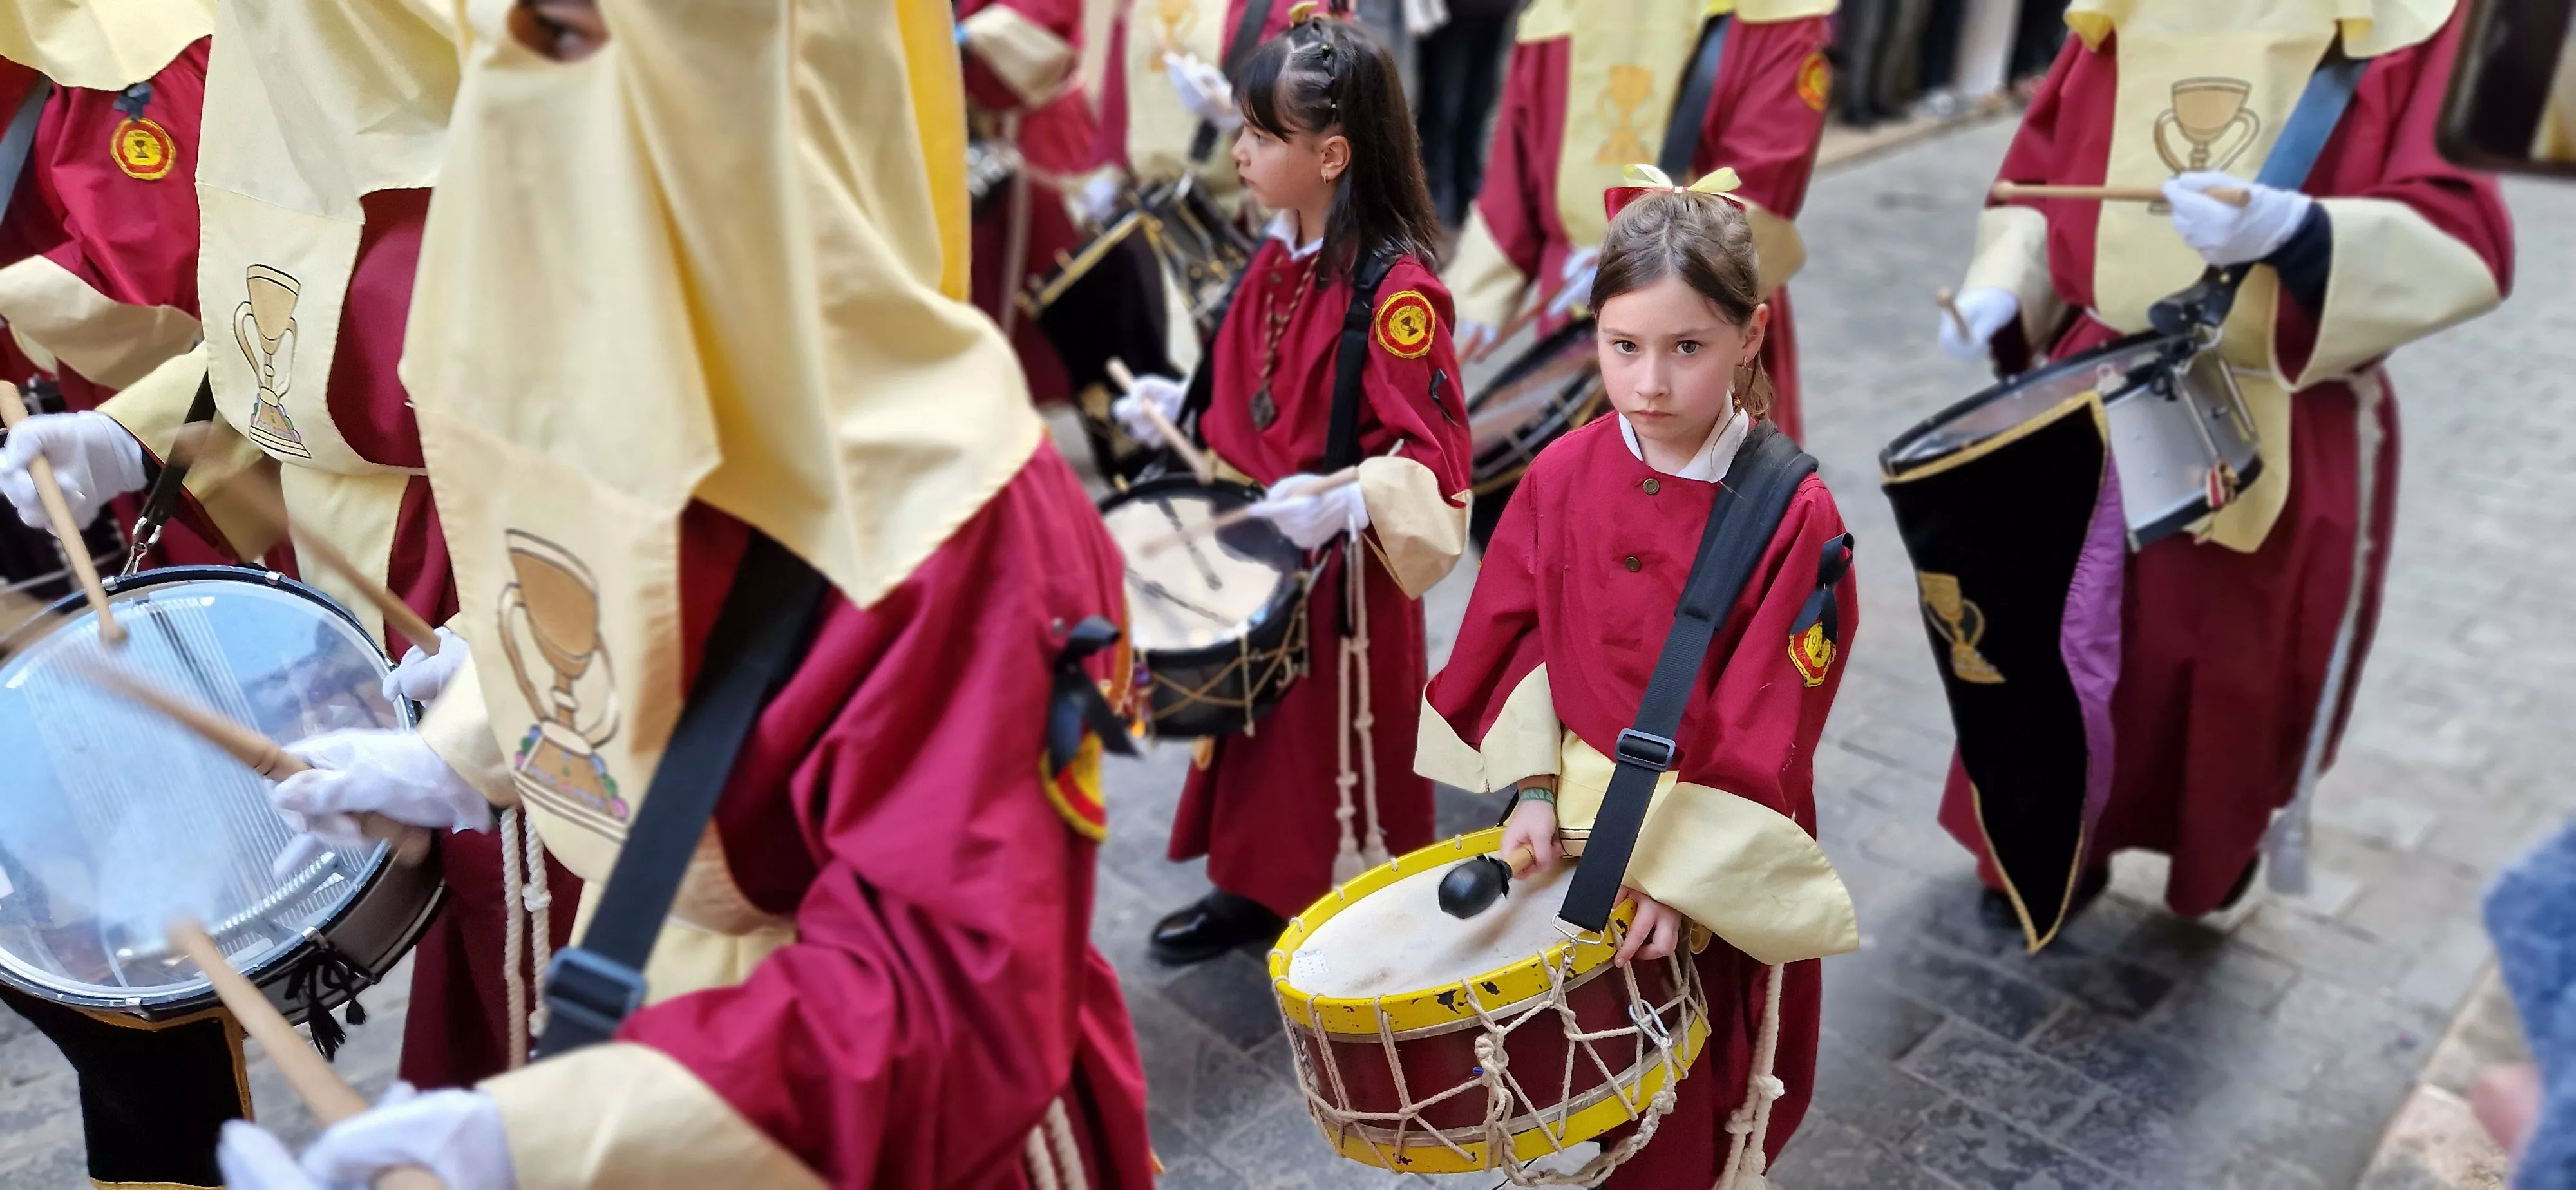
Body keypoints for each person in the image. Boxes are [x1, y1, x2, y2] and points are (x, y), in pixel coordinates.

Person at [211, 0, 1155, 1186]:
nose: (516, 92)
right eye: (534, 30)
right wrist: (467, 748)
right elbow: (623, 644)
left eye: (580, 34)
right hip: (669, 1016)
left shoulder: (950, 508)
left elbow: (953, 990)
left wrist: (556, 1136)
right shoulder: (617, 382)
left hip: (856, 1107)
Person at [0, 0, 585, 1101]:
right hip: (410, 578)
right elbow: (290, 318)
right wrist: (134, 433)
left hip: (522, 567)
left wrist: (493, 687)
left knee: (569, 1002)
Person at [1931, 0, 2512, 943]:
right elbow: (2042, 186)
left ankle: (2206, 849)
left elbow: (2464, 234)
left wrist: (2309, 237)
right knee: (2041, 638)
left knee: (2230, 661)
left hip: (2271, 397)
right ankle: (2040, 848)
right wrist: (2006, 283)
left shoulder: (2418, 20)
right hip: (2089, 391)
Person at [1417, 178, 1858, 1186]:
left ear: (1750, 336)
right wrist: (1530, 785)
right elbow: (1519, 637)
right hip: (1574, 822)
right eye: (1624, 347)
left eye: (1687, 348)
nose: (1650, 382)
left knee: (1684, 1106)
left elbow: (1771, 718)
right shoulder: (1560, 473)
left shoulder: (1797, 514)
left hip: (1699, 844)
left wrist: (1681, 873)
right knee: (1562, 1089)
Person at [1111, 14, 1472, 964]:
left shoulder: (1397, 298)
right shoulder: (1279, 254)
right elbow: (1248, 393)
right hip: (1264, 554)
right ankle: (1253, 889)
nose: (1239, 151)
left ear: (1333, 156)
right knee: (1253, 745)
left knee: (1327, 761)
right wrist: (1179, 408)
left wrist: (1353, 500)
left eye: (1263, 137)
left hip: (1342, 586)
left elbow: (1437, 468)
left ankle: (1345, 909)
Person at [1445, 0, 1835, 444]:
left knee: (1717, 497)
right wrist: (1470, 297)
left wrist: (1644, 264)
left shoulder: (1773, 15)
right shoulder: (1559, 14)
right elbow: (1513, 178)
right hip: (1573, 308)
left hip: (1703, 307)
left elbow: (1763, 188)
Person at [960, 0, 1097, 404]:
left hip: (1043, 125)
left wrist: (976, 35)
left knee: (1059, 271)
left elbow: (1050, 10)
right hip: (980, 129)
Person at [1409, 0, 1519, 228]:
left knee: (1476, 111)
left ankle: (1467, 204)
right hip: (1450, 17)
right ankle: (1436, 208)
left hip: (1494, 14)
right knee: (1443, 112)